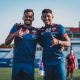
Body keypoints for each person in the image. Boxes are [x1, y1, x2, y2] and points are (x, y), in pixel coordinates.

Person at [5, 9, 38, 80]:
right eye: (26, 16)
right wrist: (14, 34)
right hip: (17, 63)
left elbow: (44, 44)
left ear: (33, 18)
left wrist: (60, 44)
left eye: (30, 16)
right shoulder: (17, 27)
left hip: (30, 64)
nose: (28, 18)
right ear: (23, 17)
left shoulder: (37, 31)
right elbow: (6, 42)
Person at [38, 9, 70, 80]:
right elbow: (40, 42)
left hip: (58, 62)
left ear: (52, 16)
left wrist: (58, 42)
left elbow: (68, 43)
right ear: (41, 18)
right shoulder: (40, 31)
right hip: (46, 62)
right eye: (44, 16)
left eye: (48, 16)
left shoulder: (59, 27)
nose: (46, 18)